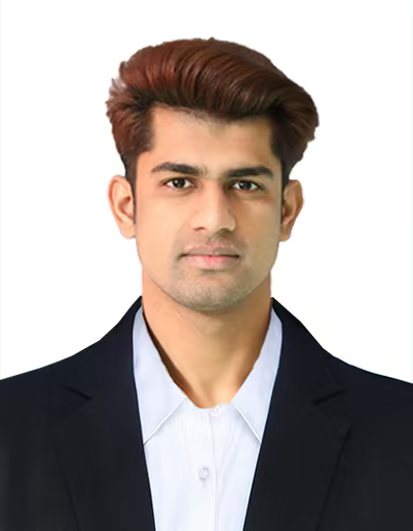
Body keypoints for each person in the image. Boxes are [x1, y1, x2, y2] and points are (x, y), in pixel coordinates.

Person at [1, 37, 412, 531]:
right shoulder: (12, 431)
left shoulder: (400, 435)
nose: (215, 219)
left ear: (287, 210)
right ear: (126, 206)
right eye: (179, 182)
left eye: (245, 184)